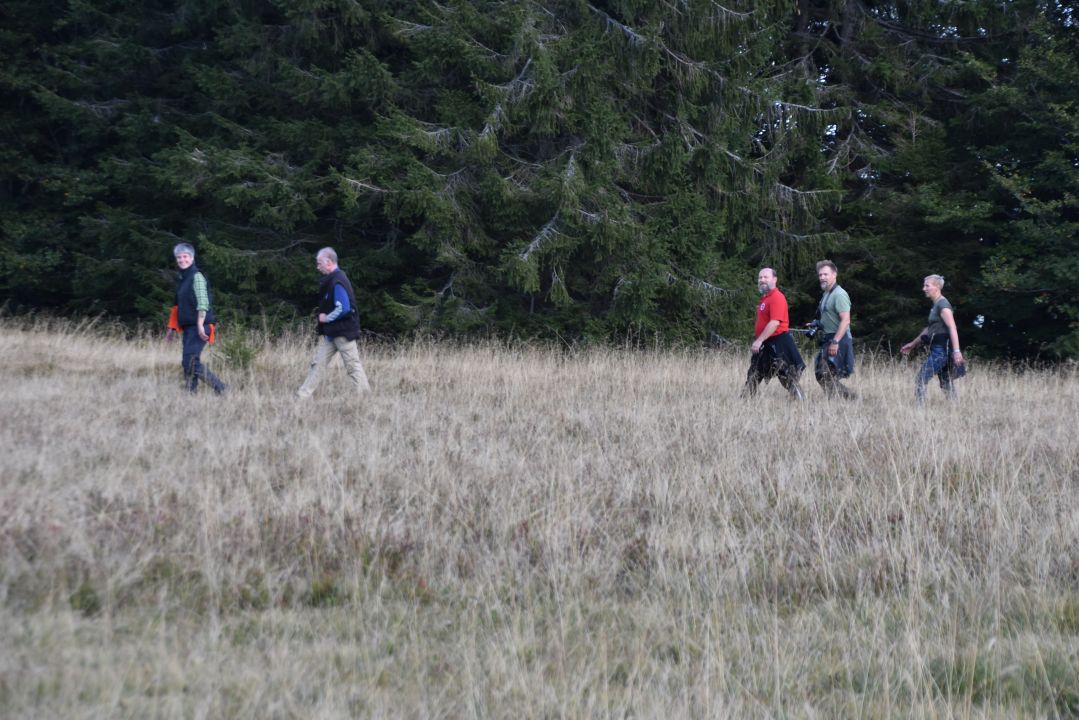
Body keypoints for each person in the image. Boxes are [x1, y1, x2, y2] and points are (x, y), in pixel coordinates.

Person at [296, 247, 371, 398]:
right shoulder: (334, 279)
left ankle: (365, 398)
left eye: (319, 263)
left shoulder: (337, 281)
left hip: (343, 333)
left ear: (329, 262)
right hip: (332, 333)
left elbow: (343, 308)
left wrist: (326, 318)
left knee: (352, 366)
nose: (318, 267)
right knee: (318, 364)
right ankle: (302, 396)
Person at [170, 243, 227, 395]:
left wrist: (200, 324)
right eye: (179, 257)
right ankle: (191, 394)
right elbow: (177, 306)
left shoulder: (197, 276)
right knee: (188, 361)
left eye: (185, 256)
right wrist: (171, 329)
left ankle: (221, 388)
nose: (182, 260)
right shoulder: (183, 279)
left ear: (192, 258)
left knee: (190, 361)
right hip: (189, 327)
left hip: (201, 326)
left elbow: (203, 303)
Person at [899, 274, 965, 402]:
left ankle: (919, 409)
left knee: (921, 378)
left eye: (927, 286)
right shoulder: (936, 305)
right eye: (924, 286)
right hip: (939, 348)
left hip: (941, 350)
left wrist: (957, 351)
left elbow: (952, 327)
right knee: (945, 382)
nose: (924, 289)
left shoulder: (943, 305)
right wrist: (912, 344)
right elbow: (929, 329)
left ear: (937, 287)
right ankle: (955, 407)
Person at [742, 267, 805, 400]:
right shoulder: (765, 299)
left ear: (774, 279)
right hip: (766, 343)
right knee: (754, 373)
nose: (762, 280)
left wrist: (759, 340)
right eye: (760, 277)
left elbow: (775, 323)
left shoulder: (777, 297)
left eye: (766, 277)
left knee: (786, 375)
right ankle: (745, 401)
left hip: (778, 341)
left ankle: (801, 401)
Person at [812, 260, 856, 399]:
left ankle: (851, 399)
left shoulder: (839, 294)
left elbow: (846, 320)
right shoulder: (827, 294)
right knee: (821, 374)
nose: (822, 277)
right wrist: (817, 324)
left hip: (839, 338)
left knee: (825, 373)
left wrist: (835, 342)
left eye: (825, 274)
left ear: (834, 274)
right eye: (820, 275)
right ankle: (842, 400)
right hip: (828, 338)